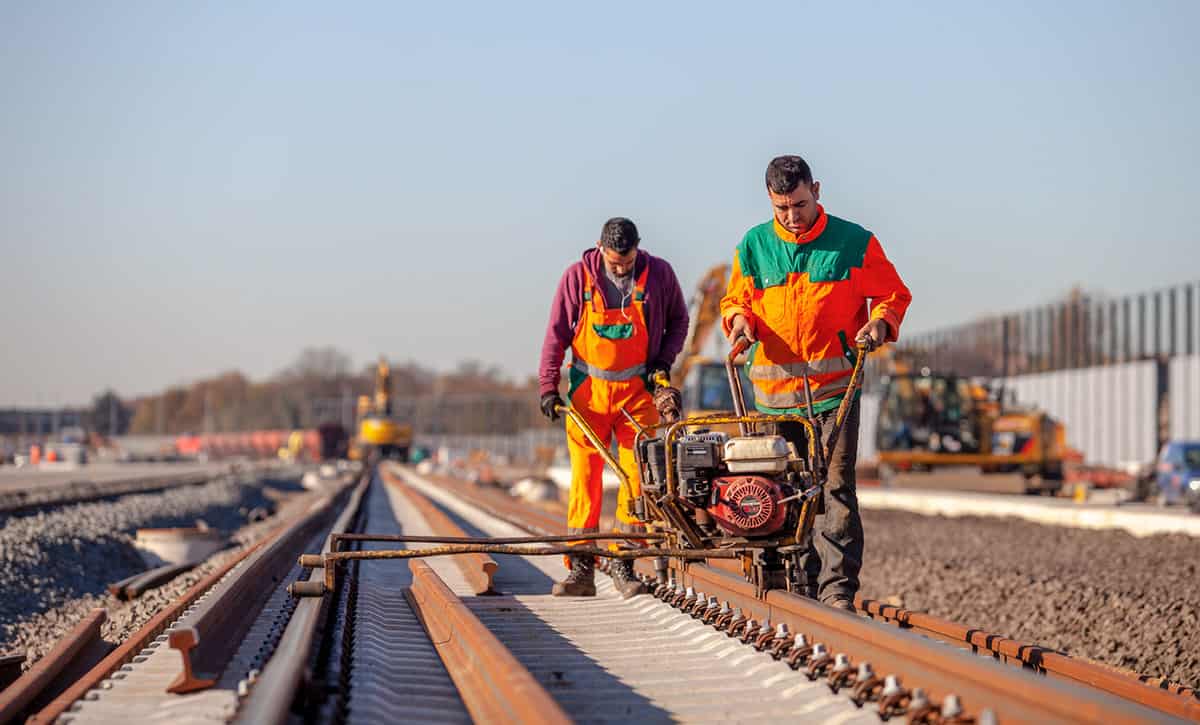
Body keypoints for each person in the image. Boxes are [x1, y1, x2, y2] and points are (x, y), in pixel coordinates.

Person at [719, 155, 912, 611]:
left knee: (835, 488)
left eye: (800, 204)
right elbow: (735, 299)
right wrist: (740, 322)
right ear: (770, 201)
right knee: (782, 491)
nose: (792, 216)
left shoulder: (853, 243)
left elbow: (892, 295)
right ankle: (796, 586)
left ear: (817, 190)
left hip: (834, 395)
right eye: (782, 208)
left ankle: (837, 591)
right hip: (773, 401)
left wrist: (880, 325)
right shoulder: (754, 246)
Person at [539, 217, 689, 597]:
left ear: (638, 248)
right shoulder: (577, 278)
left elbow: (679, 320)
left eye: (627, 260)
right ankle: (581, 569)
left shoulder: (659, 275)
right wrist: (548, 385)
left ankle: (624, 562)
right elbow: (556, 332)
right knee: (584, 481)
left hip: (637, 394)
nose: (621, 267)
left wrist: (663, 362)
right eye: (614, 261)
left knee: (636, 477)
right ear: (600, 248)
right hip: (588, 395)